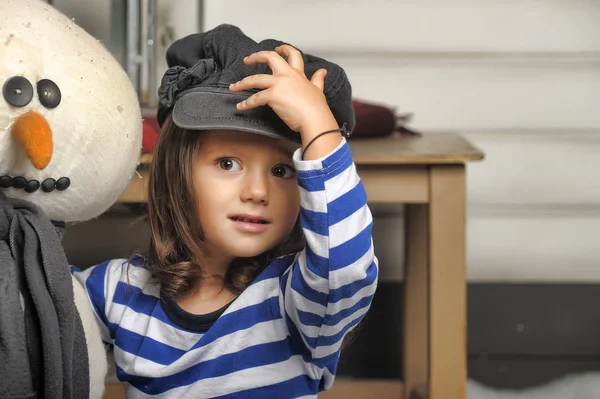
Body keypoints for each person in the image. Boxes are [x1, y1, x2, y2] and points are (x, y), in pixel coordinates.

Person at [73, 24, 378, 398]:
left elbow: (345, 265)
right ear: (177, 171)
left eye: (282, 171)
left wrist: (318, 125)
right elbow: (35, 302)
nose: (256, 192)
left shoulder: (298, 304)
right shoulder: (118, 292)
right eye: (228, 164)